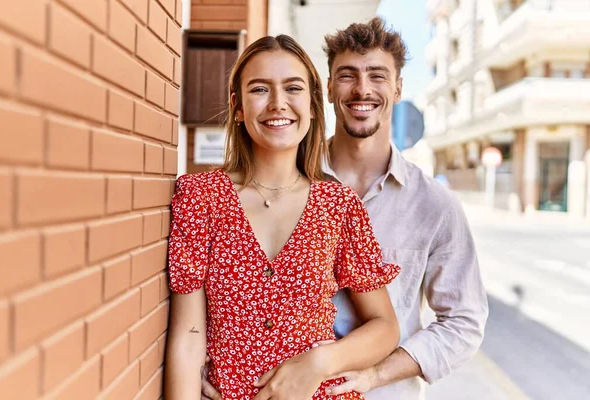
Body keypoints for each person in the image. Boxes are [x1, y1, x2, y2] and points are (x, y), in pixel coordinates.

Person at [201, 17, 489, 400]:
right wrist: (210, 366)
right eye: (348, 75)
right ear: (330, 89)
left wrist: (373, 375)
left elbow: (463, 323)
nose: (362, 89)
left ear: (399, 87)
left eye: (378, 76)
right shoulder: (280, 176)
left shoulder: (434, 205)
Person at [165, 34, 402, 400]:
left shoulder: (338, 205)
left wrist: (318, 364)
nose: (278, 104)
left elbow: (385, 327)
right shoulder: (201, 197)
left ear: (311, 105)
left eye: (293, 88)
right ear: (238, 106)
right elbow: (188, 336)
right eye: (259, 89)